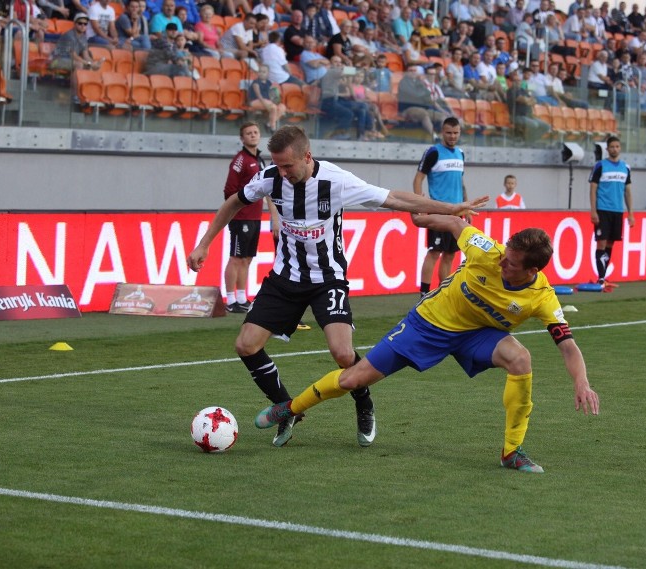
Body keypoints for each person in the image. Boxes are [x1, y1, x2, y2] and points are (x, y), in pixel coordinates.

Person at [186, 126, 487, 448]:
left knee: (343, 353)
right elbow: (233, 201)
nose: (282, 173)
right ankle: (286, 409)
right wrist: (204, 244)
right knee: (246, 345)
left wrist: (450, 208)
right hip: (285, 277)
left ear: (307, 157)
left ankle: (364, 401)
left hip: (328, 277)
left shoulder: (336, 181)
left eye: (288, 166)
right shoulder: (270, 177)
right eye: (278, 165)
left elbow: (395, 198)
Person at [254, 217, 600, 472]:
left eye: (509, 262)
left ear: (531, 271)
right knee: (352, 380)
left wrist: (581, 381)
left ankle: (512, 452)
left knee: (520, 358)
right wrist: (422, 215)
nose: (501, 261)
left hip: (476, 335)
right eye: (504, 254)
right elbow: (453, 221)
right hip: (427, 324)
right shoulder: (486, 250)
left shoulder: (542, 297)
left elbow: (566, 344)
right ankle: (291, 408)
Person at [414, 117, 466, 297]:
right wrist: (419, 204)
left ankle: (443, 292)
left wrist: (465, 206)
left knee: (450, 254)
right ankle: (424, 293)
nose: (452, 136)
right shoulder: (434, 152)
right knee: (435, 251)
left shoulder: (460, 153)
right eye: (449, 133)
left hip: (457, 212)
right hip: (439, 210)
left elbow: (461, 181)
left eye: (456, 133)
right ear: (442, 132)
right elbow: (418, 179)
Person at [223, 122, 268, 314]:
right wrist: (238, 207)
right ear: (242, 138)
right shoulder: (240, 160)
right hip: (241, 217)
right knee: (236, 257)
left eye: (256, 132)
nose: (253, 135)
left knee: (247, 259)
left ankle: (242, 297)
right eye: (248, 133)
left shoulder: (261, 160)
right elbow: (229, 190)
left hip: (255, 217)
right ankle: (230, 298)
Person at [589, 136, 633, 287]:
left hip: (617, 211)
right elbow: (593, 188)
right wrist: (593, 211)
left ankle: (603, 277)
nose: (615, 149)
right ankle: (601, 278)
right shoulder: (600, 166)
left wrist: (631, 213)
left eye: (617, 146)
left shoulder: (625, 168)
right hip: (603, 209)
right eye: (612, 147)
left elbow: (627, 191)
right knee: (601, 243)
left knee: (610, 243)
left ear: (620, 148)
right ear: (607, 149)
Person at [247, 65, 286, 133]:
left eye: (264, 72)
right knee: (273, 107)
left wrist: (275, 100)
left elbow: (272, 95)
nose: (261, 73)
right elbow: (259, 96)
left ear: (268, 73)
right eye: (260, 71)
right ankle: (273, 127)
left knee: (282, 107)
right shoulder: (256, 83)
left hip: (268, 102)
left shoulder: (269, 83)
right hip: (256, 101)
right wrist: (267, 105)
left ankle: (268, 124)